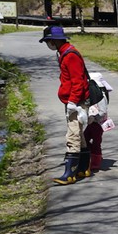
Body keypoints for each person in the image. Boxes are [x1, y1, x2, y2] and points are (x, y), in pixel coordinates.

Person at [39, 26, 91, 185]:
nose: (48, 44)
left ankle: (69, 174)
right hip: (73, 100)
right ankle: (83, 168)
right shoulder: (64, 53)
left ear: (55, 40)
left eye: (48, 41)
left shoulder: (70, 56)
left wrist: (73, 102)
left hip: (76, 102)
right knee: (80, 135)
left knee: (72, 135)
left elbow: (78, 81)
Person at [84, 72, 113, 174]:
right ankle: (92, 155)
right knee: (85, 138)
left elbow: (103, 111)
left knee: (96, 142)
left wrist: (94, 117)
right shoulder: (91, 94)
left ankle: (96, 161)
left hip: (98, 123)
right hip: (89, 122)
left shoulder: (101, 96)